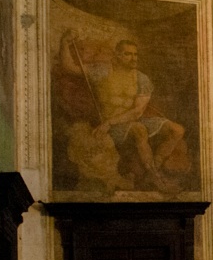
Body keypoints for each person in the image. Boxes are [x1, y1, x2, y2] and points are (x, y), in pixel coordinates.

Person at [57, 30, 187, 193]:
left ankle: (154, 170)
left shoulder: (141, 78)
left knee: (177, 130)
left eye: (135, 54)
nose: (134, 58)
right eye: (128, 54)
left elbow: (137, 112)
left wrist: (109, 123)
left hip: (121, 121)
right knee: (139, 130)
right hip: (112, 127)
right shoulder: (103, 71)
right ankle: (157, 178)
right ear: (117, 55)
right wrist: (65, 43)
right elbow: (69, 68)